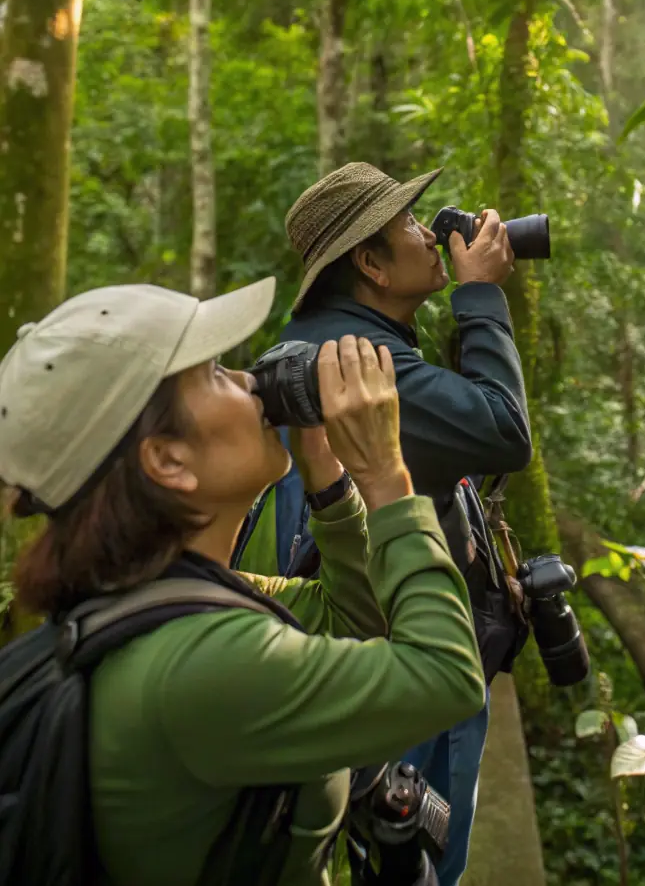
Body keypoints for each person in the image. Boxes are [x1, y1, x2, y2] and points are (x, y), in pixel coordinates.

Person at [0, 275, 485, 886]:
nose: (251, 380)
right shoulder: (200, 663)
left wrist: (331, 485)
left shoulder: (161, 602)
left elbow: (353, 621)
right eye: (214, 374)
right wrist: (386, 475)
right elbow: (447, 678)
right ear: (167, 460)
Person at [236, 162, 532, 886]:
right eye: (408, 223)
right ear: (369, 262)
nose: (431, 232)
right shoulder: (363, 364)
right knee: (420, 856)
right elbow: (503, 430)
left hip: (367, 644)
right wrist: (482, 293)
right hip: (408, 653)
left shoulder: (335, 339)